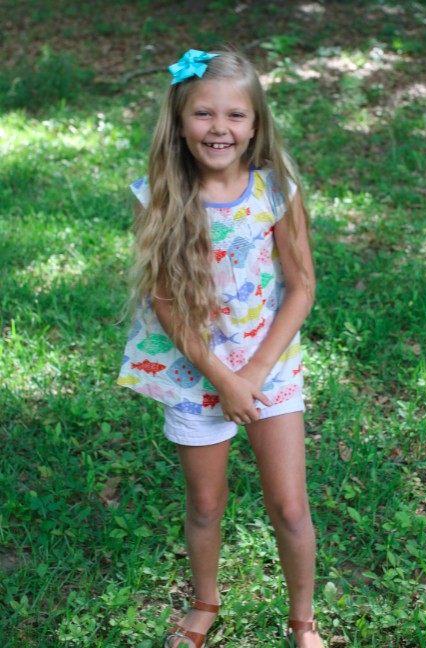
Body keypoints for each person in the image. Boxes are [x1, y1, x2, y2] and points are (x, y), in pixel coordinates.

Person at [118, 48, 323, 648]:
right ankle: (205, 602)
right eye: (203, 113)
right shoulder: (159, 198)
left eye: (235, 115)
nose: (219, 128)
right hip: (195, 373)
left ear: (255, 124)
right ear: (180, 122)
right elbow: (165, 303)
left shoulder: (276, 191)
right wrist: (223, 379)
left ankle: (303, 621)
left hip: (269, 367)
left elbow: (302, 287)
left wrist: (252, 373)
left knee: (290, 507)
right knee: (206, 504)